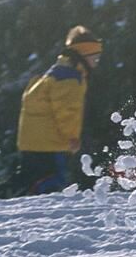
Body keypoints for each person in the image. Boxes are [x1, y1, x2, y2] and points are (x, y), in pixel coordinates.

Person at [16, 25, 103, 194]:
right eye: (95, 58)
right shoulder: (69, 77)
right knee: (53, 179)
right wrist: (71, 137)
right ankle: (40, 205)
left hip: (32, 140)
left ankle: (1, 191)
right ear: (84, 56)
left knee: (30, 177)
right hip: (50, 142)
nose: (96, 63)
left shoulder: (56, 72)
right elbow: (67, 110)